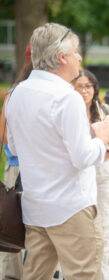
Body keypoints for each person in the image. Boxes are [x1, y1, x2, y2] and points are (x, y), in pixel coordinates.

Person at [5, 23, 109, 279]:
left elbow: (12, 147)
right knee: (84, 275)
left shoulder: (17, 93)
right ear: (61, 57)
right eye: (76, 52)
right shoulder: (67, 97)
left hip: (36, 206)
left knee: (35, 275)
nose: (80, 57)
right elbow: (83, 157)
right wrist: (101, 137)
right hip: (71, 207)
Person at [72, 69, 109, 280]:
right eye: (80, 86)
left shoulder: (103, 109)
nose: (84, 91)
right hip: (80, 174)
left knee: (104, 229)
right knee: (78, 231)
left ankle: (103, 276)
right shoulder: (69, 111)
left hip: (104, 173)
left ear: (95, 89)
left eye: (88, 86)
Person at [0, 42, 32, 280]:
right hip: (18, 167)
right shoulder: (17, 92)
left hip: (39, 169)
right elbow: (3, 134)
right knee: (12, 230)